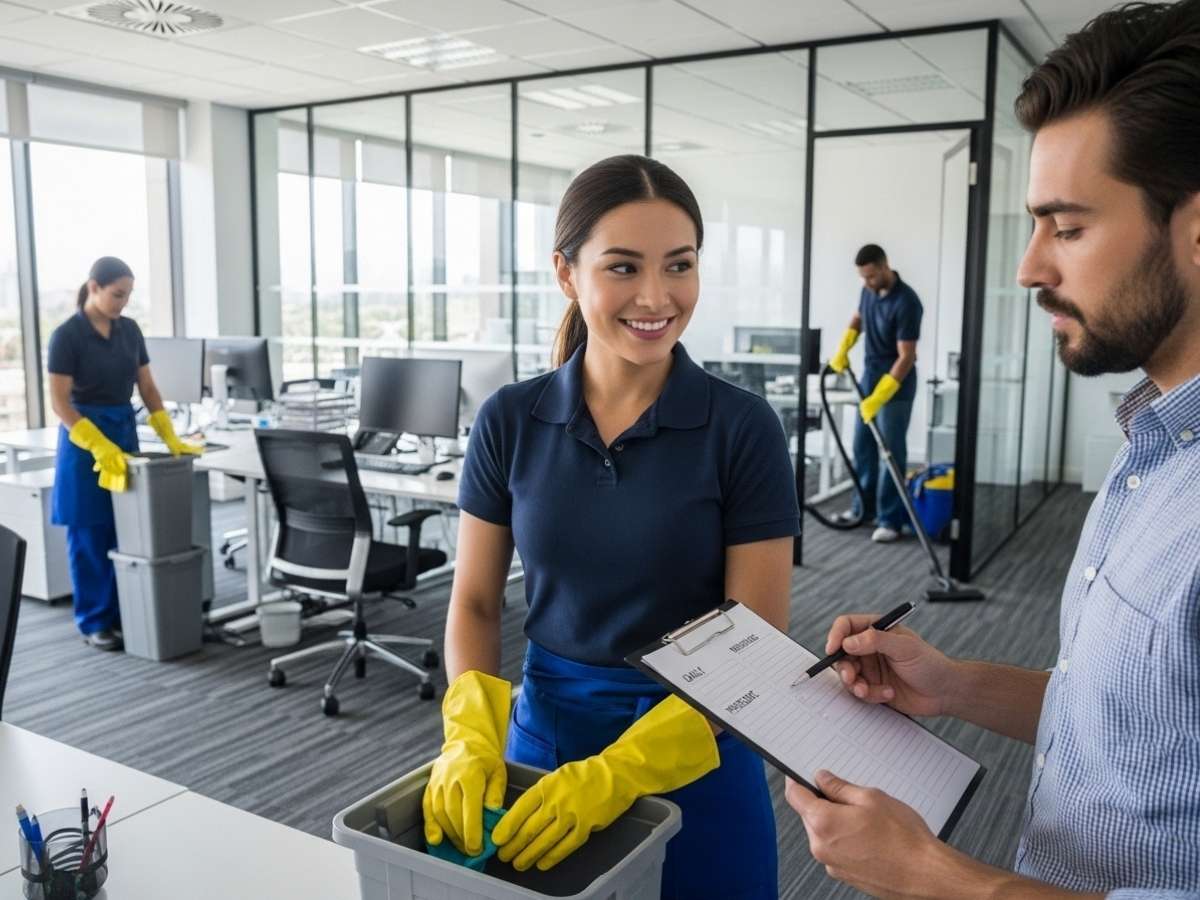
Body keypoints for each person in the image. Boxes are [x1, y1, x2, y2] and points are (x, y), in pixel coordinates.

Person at [785, 2, 1200, 897]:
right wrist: (954, 686)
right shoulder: (1155, 449)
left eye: (1070, 226)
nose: (1028, 267)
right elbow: (1138, 726)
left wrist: (934, 876)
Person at [422, 155, 800, 899]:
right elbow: (473, 603)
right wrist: (469, 736)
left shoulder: (742, 427)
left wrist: (623, 771)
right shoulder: (510, 419)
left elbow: (754, 642)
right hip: (547, 739)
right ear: (567, 273)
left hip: (696, 744)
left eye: (679, 266)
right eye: (623, 268)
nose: (656, 296)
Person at [48, 256, 202, 651]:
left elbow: (147, 387)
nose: (123, 303)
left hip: (123, 429)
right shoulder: (67, 336)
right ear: (94, 287)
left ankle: (128, 612)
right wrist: (97, 443)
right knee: (90, 531)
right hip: (84, 440)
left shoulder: (129, 330)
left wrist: (168, 434)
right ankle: (94, 622)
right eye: (117, 294)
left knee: (128, 527)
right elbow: (61, 403)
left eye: (129, 295)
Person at [829, 244, 923, 543]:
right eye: (863, 278)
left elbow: (906, 356)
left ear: (884, 267)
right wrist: (845, 345)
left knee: (890, 452)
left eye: (871, 276)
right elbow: (858, 318)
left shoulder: (907, 302)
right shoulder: (868, 291)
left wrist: (882, 394)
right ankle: (863, 510)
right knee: (862, 447)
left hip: (895, 384)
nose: (867, 282)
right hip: (869, 377)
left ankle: (890, 519)